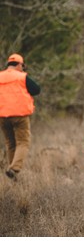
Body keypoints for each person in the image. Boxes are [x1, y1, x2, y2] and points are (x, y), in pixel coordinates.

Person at [0, 53, 40, 181]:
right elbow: (36, 90)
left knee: (10, 143)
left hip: (3, 116)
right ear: (19, 65)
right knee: (23, 142)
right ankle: (14, 169)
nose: (23, 68)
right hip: (20, 115)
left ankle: (13, 176)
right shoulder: (22, 77)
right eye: (23, 66)